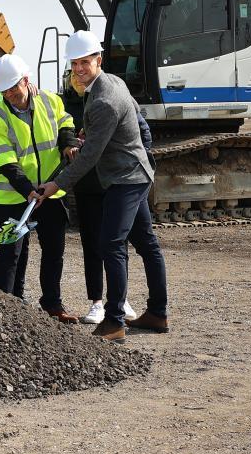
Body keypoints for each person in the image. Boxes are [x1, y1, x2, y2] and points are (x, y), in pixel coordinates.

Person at [36, 30, 168, 343]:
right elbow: (123, 130)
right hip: (134, 172)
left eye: (85, 62)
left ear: (99, 59)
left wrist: (56, 184)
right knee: (147, 244)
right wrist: (90, 139)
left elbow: (89, 159)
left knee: (111, 245)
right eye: (75, 63)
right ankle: (158, 313)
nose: (79, 69)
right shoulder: (112, 83)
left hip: (126, 179)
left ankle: (114, 321)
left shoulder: (103, 100)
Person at [0, 54, 80, 323]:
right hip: (13, 194)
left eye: (14, 87)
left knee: (54, 251)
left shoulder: (50, 100)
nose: (10, 94)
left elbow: (65, 122)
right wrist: (28, 190)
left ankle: (52, 304)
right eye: (4, 90)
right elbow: (5, 162)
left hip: (50, 192)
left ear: (26, 81)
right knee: (10, 252)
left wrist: (68, 142)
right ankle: (3, 307)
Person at [63, 73, 141, 324]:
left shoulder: (108, 95)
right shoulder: (64, 104)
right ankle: (97, 300)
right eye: (73, 71)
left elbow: (138, 126)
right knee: (92, 243)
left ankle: (121, 298)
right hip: (86, 183)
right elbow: (61, 131)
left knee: (117, 243)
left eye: (82, 68)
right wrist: (71, 143)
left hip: (113, 180)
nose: (78, 76)